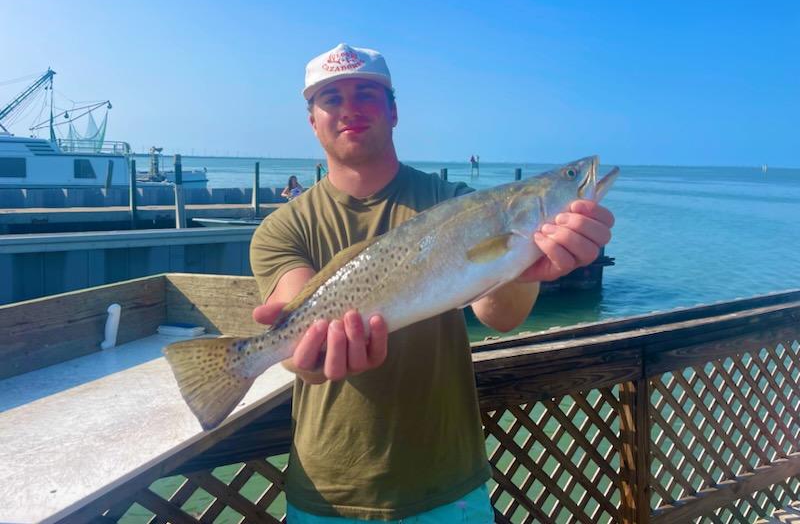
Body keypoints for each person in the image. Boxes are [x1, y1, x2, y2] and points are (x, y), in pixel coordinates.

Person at [249, 43, 615, 522]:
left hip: (448, 486)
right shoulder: (282, 229)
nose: (350, 109)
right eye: (331, 99)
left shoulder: (458, 203)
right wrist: (306, 357)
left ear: (394, 111)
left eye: (367, 94)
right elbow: (302, 344)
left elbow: (500, 317)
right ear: (312, 119)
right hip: (328, 490)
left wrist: (527, 268)